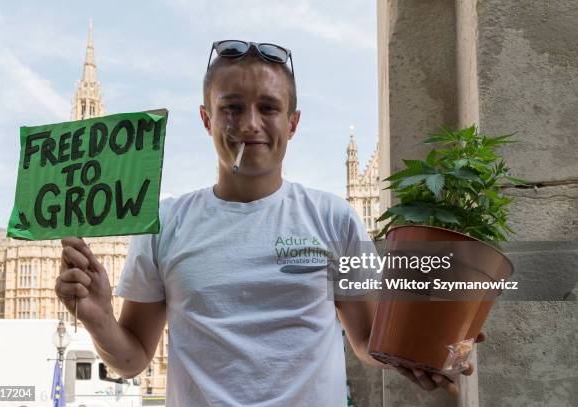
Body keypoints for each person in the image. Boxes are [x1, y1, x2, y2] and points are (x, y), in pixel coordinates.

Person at [55, 40, 481, 406]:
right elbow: (131, 358)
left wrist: (429, 340)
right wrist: (97, 317)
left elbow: (369, 339)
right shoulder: (165, 224)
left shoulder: (333, 219)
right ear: (206, 119)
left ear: (292, 123)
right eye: (232, 108)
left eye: (269, 108)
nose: (250, 124)